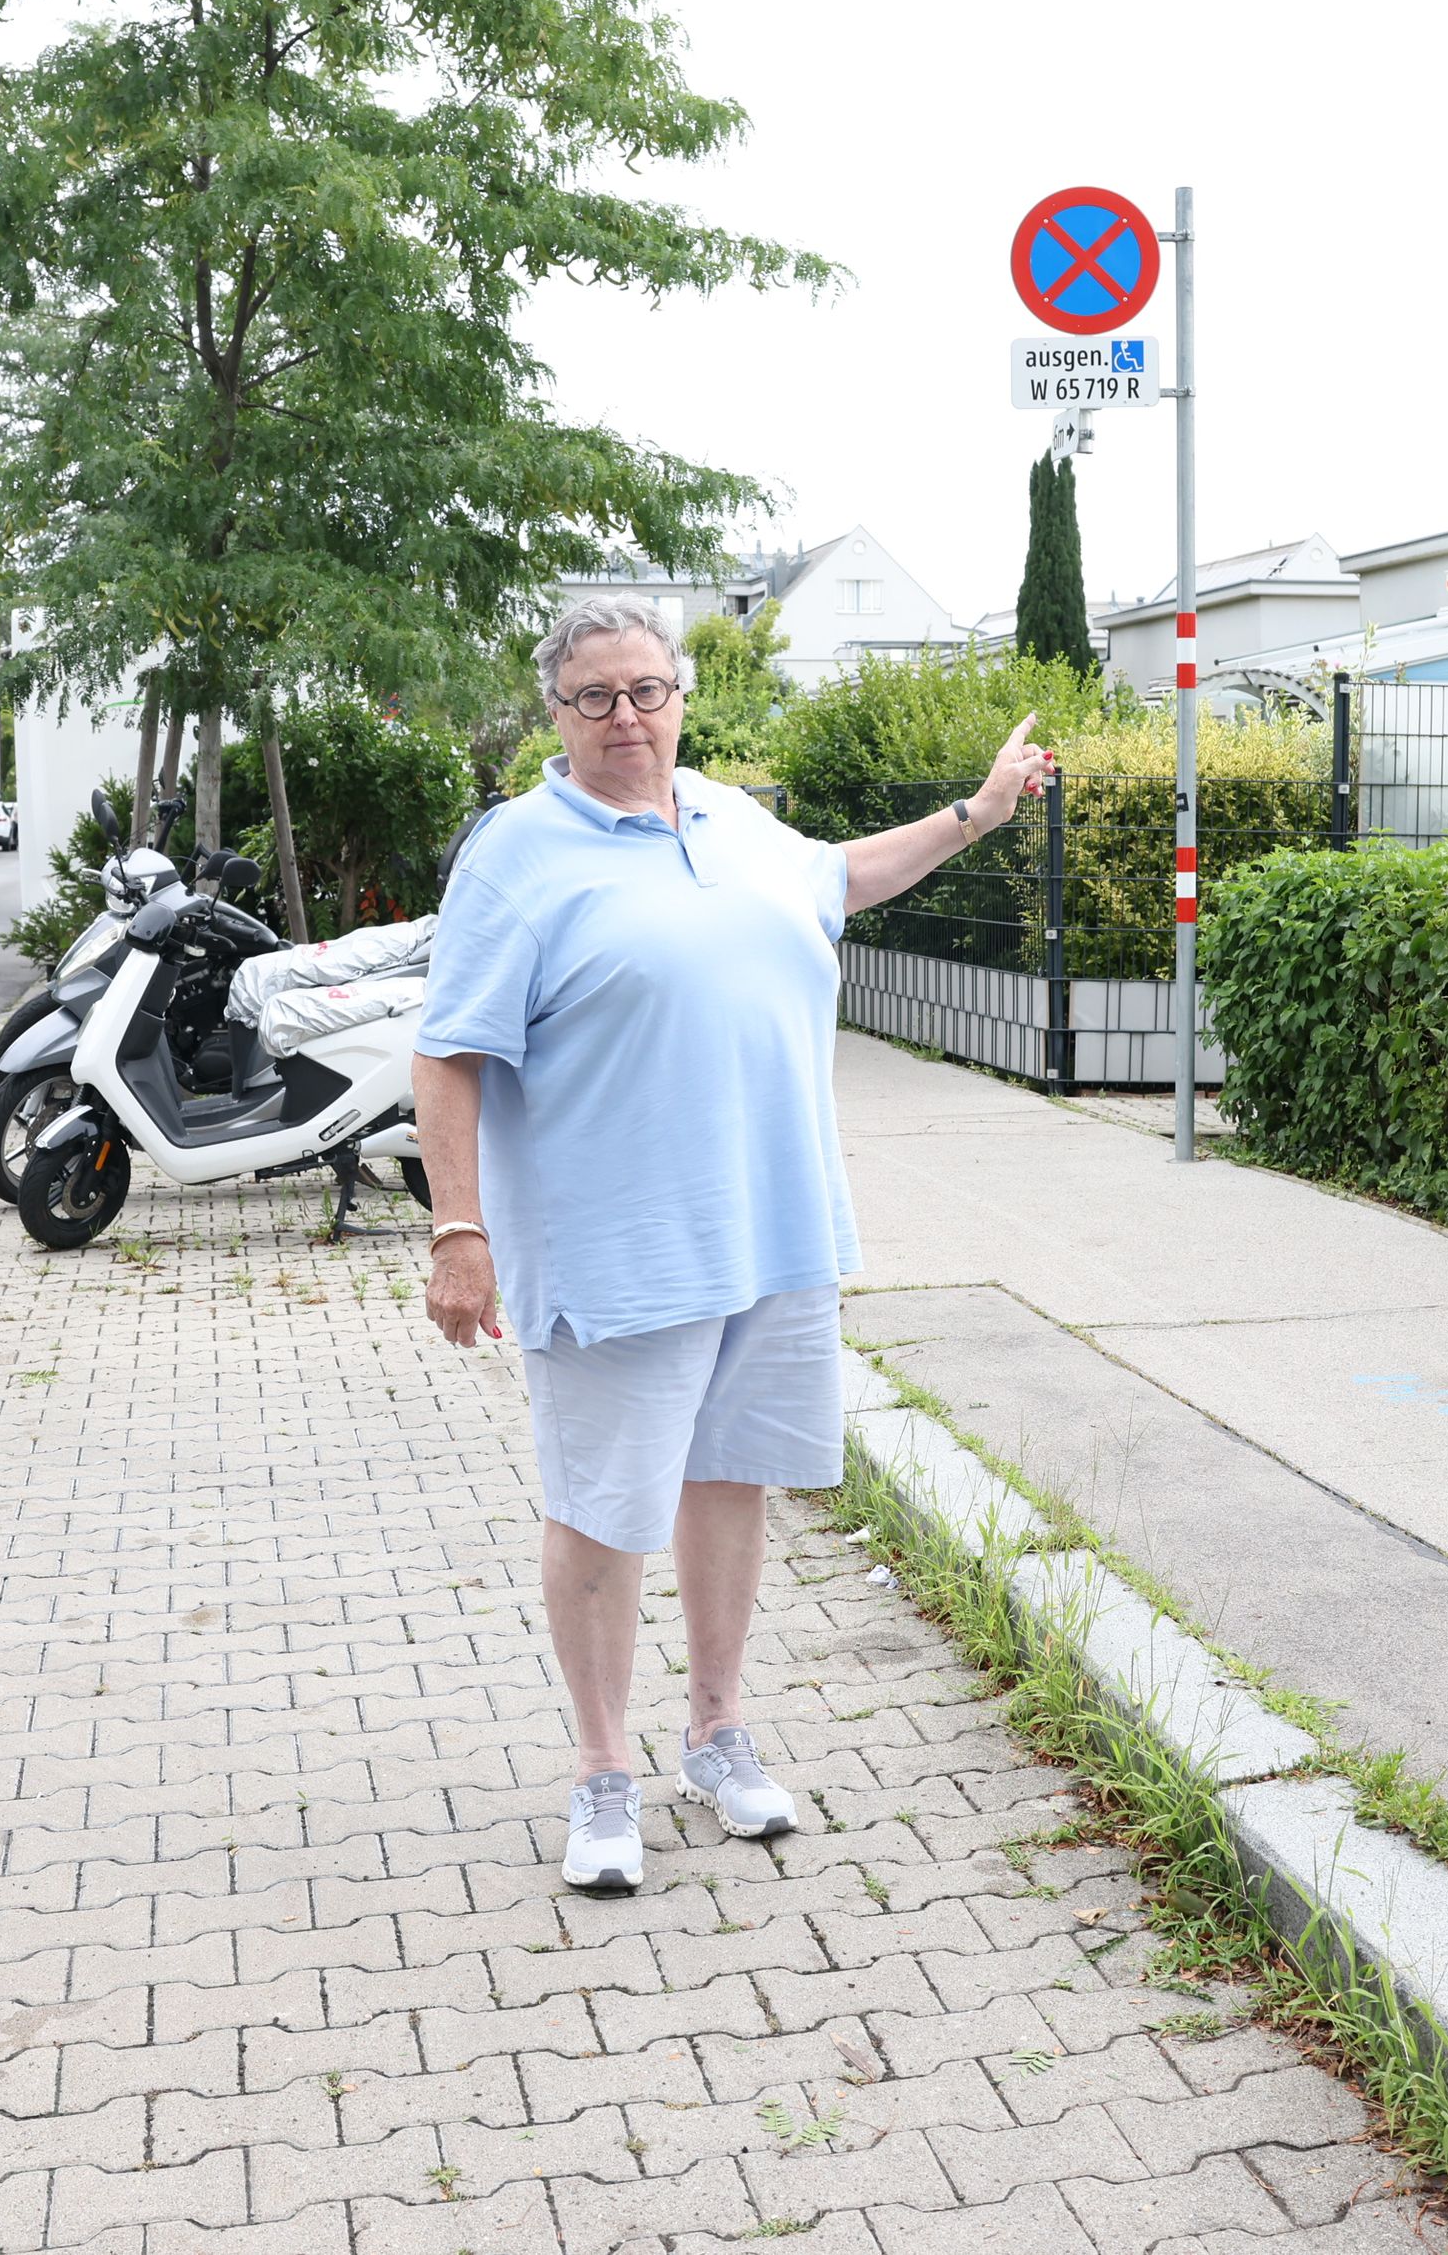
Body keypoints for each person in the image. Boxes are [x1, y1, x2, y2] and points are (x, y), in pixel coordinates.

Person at [412, 591, 1054, 1893]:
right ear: (558, 710)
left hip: (769, 1233)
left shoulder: (732, 819)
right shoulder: (518, 853)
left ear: (680, 695)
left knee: (730, 1479)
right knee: (602, 1512)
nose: (626, 717)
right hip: (616, 1250)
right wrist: (458, 1231)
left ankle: (716, 1730)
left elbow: (843, 877)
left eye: (647, 689)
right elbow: (449, 1051)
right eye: (595, 696)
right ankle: (603, 1774)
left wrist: (979, 813)